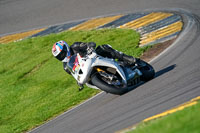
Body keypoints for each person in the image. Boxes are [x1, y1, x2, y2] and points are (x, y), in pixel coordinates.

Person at [52, 40, 138, 75]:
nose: (62, 56)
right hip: (88, 71)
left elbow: (87, 44)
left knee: (103, 48)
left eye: (62, 54)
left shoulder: (75, 46)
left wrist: (90, 47)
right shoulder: (66, 67)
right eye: (60, 56)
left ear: (65, 48)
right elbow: (75, 75)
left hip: (95, 58)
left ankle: (129, 59)